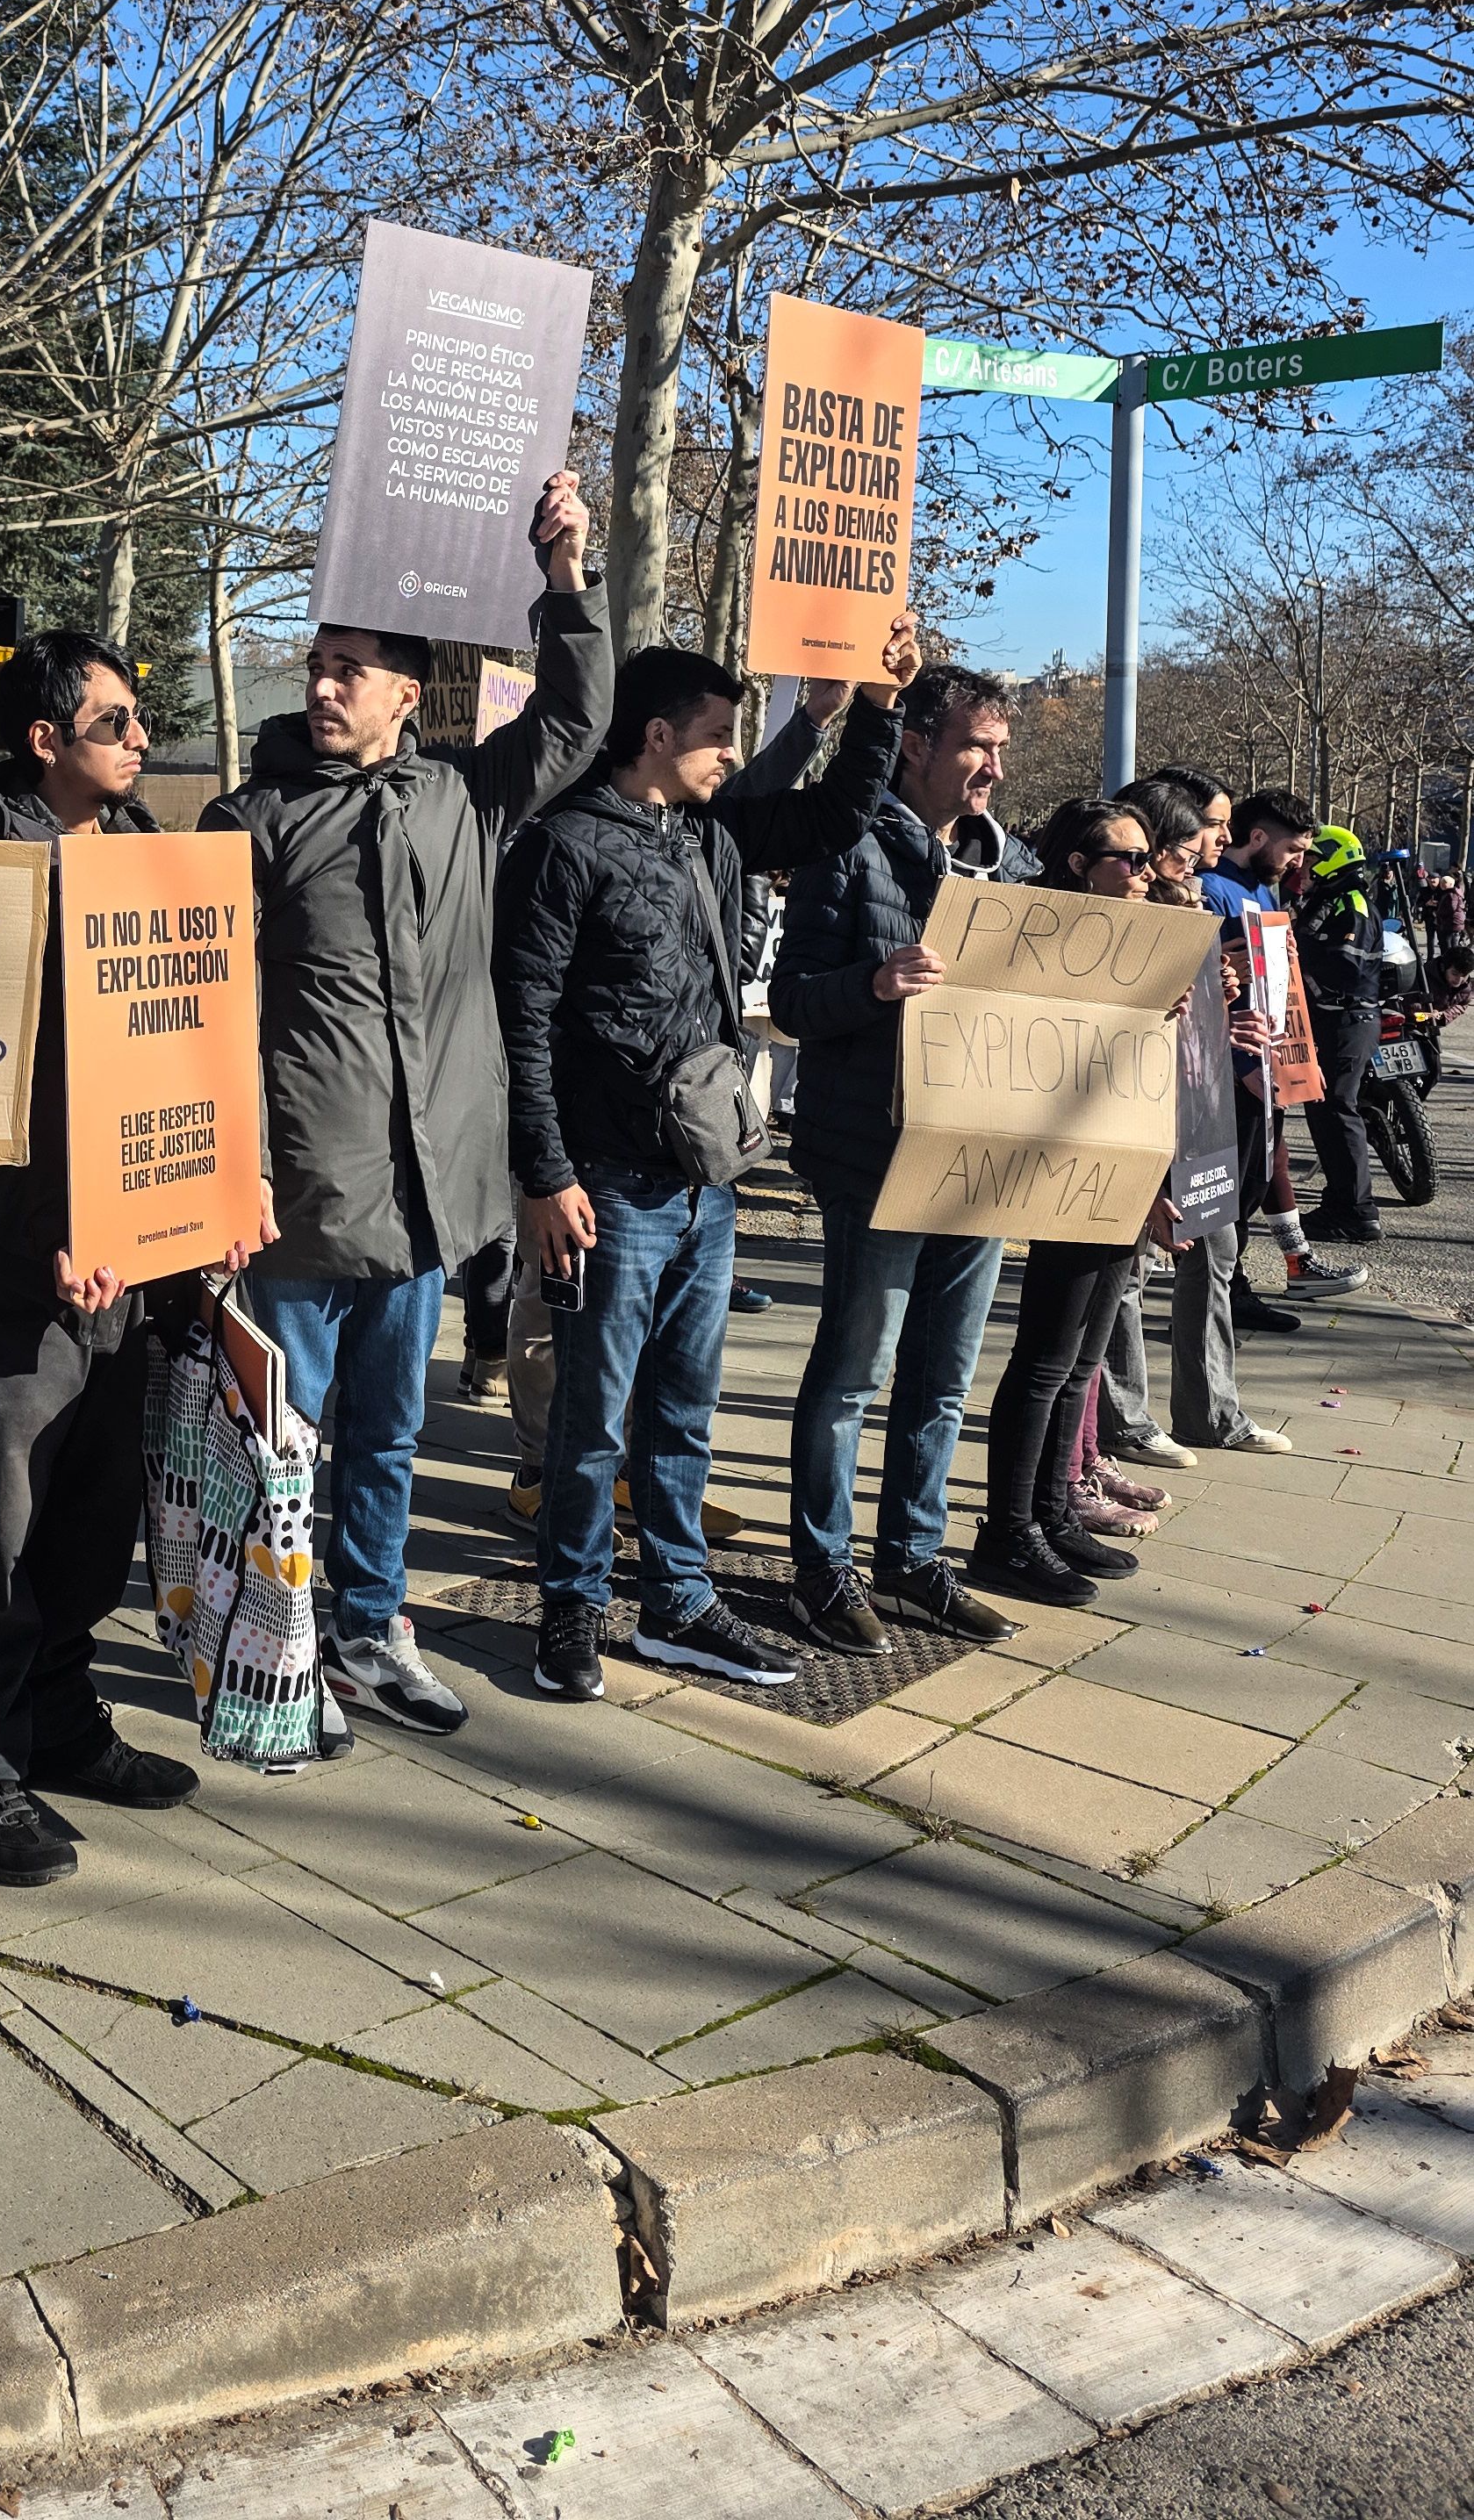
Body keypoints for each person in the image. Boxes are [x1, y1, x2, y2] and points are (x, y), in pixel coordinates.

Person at [198, 473, 610, 1736]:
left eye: (353, 668)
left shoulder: (460, 798)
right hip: (308, 1194)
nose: (324, 686)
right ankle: (279, 1647)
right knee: (283, 1443)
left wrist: (564, 574)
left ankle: (373, 1631)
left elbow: (576, 719)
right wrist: (236, 1172)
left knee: (388, 1436)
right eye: (317, 663)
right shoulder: (249, 820)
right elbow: (209, 1019)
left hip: (432, 1197)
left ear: (406, 694)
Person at [494, 618, 915, 1700]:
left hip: (705, 1185)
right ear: (652, 733)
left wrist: (876, 708)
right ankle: (573, 1611)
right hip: (607, 1189)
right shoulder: (561, 845)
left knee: (683, 1411)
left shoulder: (711, 834)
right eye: (717, 733)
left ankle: (679, 1599)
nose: (734, 752)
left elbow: (834, 814)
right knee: (593, 1419)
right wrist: (546, 1175)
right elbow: (523, 1023)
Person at [0, 630, 207, 1885]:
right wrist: (47, 1234)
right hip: (16, 1264)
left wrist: (214, 1196)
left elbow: (193, 1047)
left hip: (137, 1261)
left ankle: (62, 1712)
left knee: (94, 1514)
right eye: (116, 724)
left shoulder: (148, 857)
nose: (141, 742)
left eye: (139, 724)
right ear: (43, 740)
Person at [769, 660, 1036, 1654]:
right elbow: (792, 1001)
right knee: (853, 1374)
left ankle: (915, 1559)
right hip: (875, 1156)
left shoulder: (1010, 867)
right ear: (916, 744)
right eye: (978, 747)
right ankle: (822, 1570)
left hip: (978, 1156)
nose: (994, 771)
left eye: (1001, 751)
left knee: (943, 1377)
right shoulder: (845, 847)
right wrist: (875, 983)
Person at [967, 800, 1174, 1609]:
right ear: (1081, 865)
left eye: (1148, 857)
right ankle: (1009, 1528)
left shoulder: (1147, 937)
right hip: (1067, 1160)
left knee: (1084, 1356)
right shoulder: (1044, 936)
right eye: (1128, 858)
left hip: (1124, 1155)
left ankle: (1050, 1512)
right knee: (1048, 1354)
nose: (1146, 872)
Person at [1091, 774, 1287, 1474]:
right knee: (1134, 1267)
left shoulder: (1199, 903)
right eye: (1206, 827)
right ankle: (1124, 1420)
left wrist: (1224, 1013)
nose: (1221, 840)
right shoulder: (1126, 907)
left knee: (1218, 1252)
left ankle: (1212, 1410)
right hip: (1144, 1112)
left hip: (1201, 1115)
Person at [1203, 790, 1367, 1315]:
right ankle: (1226, 1290)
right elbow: (1206, 986)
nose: (1300, 863)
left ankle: (1242, 1284)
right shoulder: (1211, 890)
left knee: (1258, 1173)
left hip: (1264, 1056)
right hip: (1232, 1063)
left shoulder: (1264, 892)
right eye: (1294, 850)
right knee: (1229, 1184)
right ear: (1258, 839)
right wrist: (1239, 1064)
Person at [1292, 821, 1385, 1247]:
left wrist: (1295, 946)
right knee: (1323, 1112)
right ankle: (1338, 1204)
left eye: (1312, 857)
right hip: (1330, 1022)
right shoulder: (1325, 897)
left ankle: (1358, 1213)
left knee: (1338, 1110)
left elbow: (1347, 965)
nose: (1305, 864)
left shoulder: (1351, 900)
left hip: (1348, 1020)